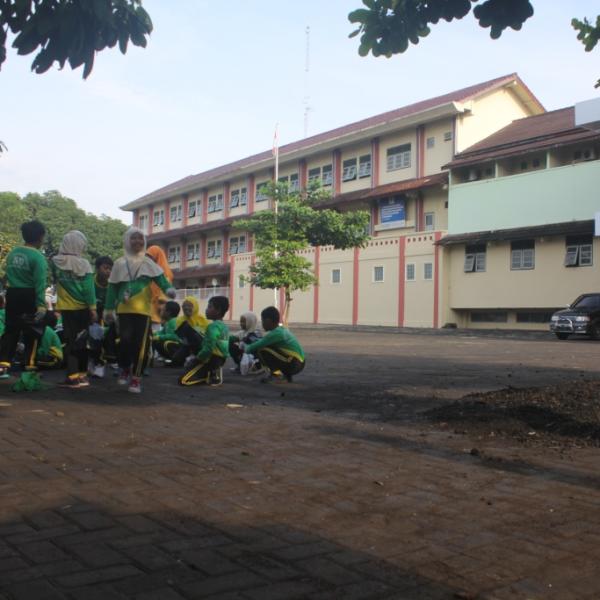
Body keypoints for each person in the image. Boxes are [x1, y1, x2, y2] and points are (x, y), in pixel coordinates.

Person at [104, 227, 176, 394]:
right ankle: (124, 368)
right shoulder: (119, 263)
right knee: (124, 342)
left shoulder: (149, 263)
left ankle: (136, 378)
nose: (137, 241)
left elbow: (161, 279)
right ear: (127, 240)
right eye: (134, 238)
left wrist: (169, 290)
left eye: (140, 238)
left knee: (141, 345)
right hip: (123, 310)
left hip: (144, 312)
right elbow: (112, 288)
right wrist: (108, 309)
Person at [0, 220, 48, 379]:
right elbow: (40, 283)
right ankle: (30, 365)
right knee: (32, 331)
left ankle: (3, 364)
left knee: (11, 330)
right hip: (29, 295)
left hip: (12, 294)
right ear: (40, 237)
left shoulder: (12, 253)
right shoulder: (38, 258)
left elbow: (8, 276)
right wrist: (41, 305)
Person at [52, 230, 97, 388]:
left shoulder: (56, 262)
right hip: (83, 309)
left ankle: (72, 377)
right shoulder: (84, 264)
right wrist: (93, 308)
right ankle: (83, 376)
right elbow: (89, 289)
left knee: (71, 342)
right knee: (82, 342)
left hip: (67, 310)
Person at [242, 306, 305, 383]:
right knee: (267, 348)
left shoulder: (275, 333)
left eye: (263, 321)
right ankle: (285, 376)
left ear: (268, 321)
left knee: (262, 350)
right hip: (297, 362)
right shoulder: (281, 330)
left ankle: (277, 375)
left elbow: (258, 345)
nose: (262, 324)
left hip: (295, 363)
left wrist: (244, 347)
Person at [179, 296, 229, 387]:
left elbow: (209, 348)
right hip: (221, 360)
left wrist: (197, 359)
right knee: (189, 369)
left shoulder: (213, 327)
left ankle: (209, 375)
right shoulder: (224, 326)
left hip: (211, 359)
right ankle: (212, 372)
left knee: (183, 380)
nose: (206, 310)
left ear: (218, 311)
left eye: (209, 307)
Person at [89, 256, 114, 377]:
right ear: (97, 269)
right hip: (90, 313)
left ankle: (100, 363)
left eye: (110, 269)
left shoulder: (112, 285)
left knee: (103, 338)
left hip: (106, 314)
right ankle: (92, 362)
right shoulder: (90, 282)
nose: (108, 271)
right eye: (105, 268)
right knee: (90, 340)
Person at [172, 296, 208, 365]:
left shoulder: (202, 319)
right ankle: (189, 358)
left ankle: (195, 357)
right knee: (176, 360)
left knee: (187, 326)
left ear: (195, 307)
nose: (186, 308)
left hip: (200, 345)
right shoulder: (180, 319)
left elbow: (205, 335)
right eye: (184, 306)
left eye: (189, 306)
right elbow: (177, 335)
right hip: (185, 345)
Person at [146, 245, 173, 330]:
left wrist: (162, 317)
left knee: (154, 340)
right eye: (147, 257)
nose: (148, 260)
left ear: (157, 257)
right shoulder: (149, 272)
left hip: (157, 318)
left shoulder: (165, 275)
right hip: (145, 314)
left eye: (151, 257)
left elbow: (164, 300)